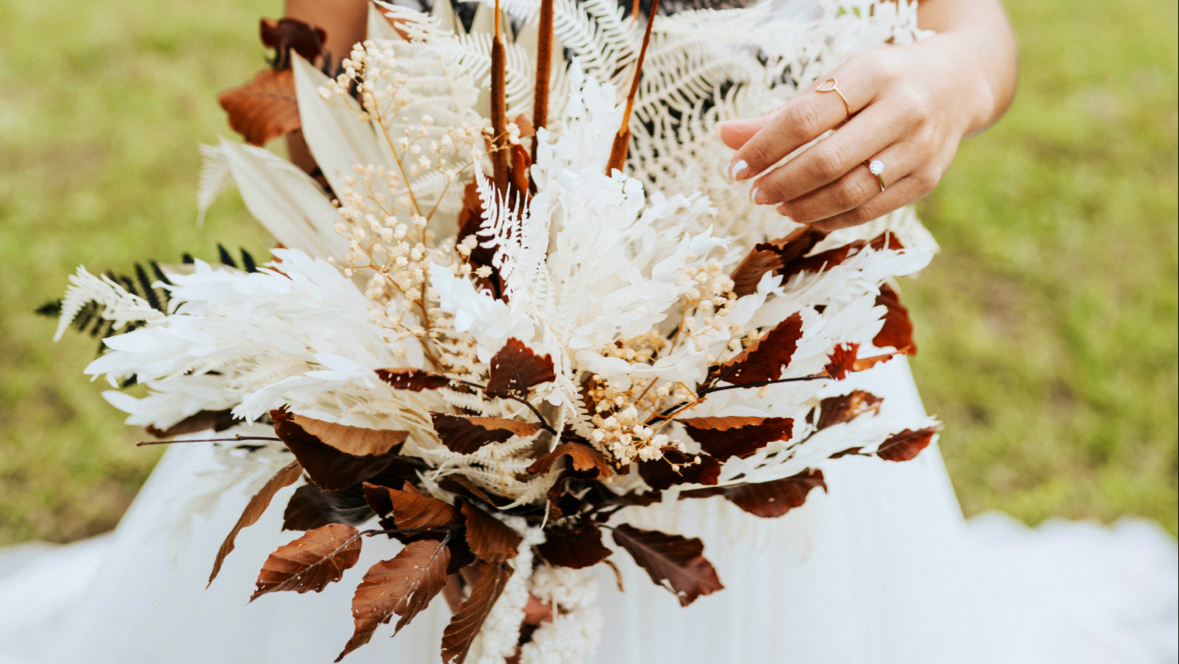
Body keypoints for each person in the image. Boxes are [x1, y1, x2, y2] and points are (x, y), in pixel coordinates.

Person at [0, 1, 1175, 663]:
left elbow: (975, 27)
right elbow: (314, 76)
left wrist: (951, 86)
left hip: (787, 420)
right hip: (442, 386)